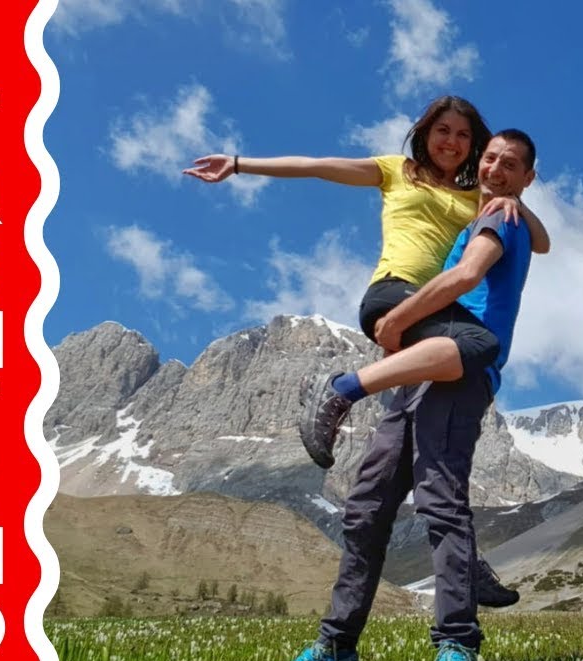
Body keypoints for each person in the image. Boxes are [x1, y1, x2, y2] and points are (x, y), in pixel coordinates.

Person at [182, 96, 529, 607]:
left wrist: (519, 204)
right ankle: (340, 389)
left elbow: (534, 240)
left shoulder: (479, 197)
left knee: (432, 457)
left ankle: (461, 560)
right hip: (396, 294)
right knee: (480, 345)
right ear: (425, 134)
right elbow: (319, 167)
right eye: (442, 130)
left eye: (461, 134)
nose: (451, 142)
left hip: (434, 316)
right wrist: (238, 164)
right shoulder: (396, 172)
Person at [269, 129, 540, 661]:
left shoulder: (499, 220)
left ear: (527, 179)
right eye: (490, 159)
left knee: (440, 499)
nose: (495, 170)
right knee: (367, 509)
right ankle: (336, 645)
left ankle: (457, 641)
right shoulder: (483, 213)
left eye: (510, 165)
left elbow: (467, 276)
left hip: (462, 372)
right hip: (420, 369)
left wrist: (395, 320)